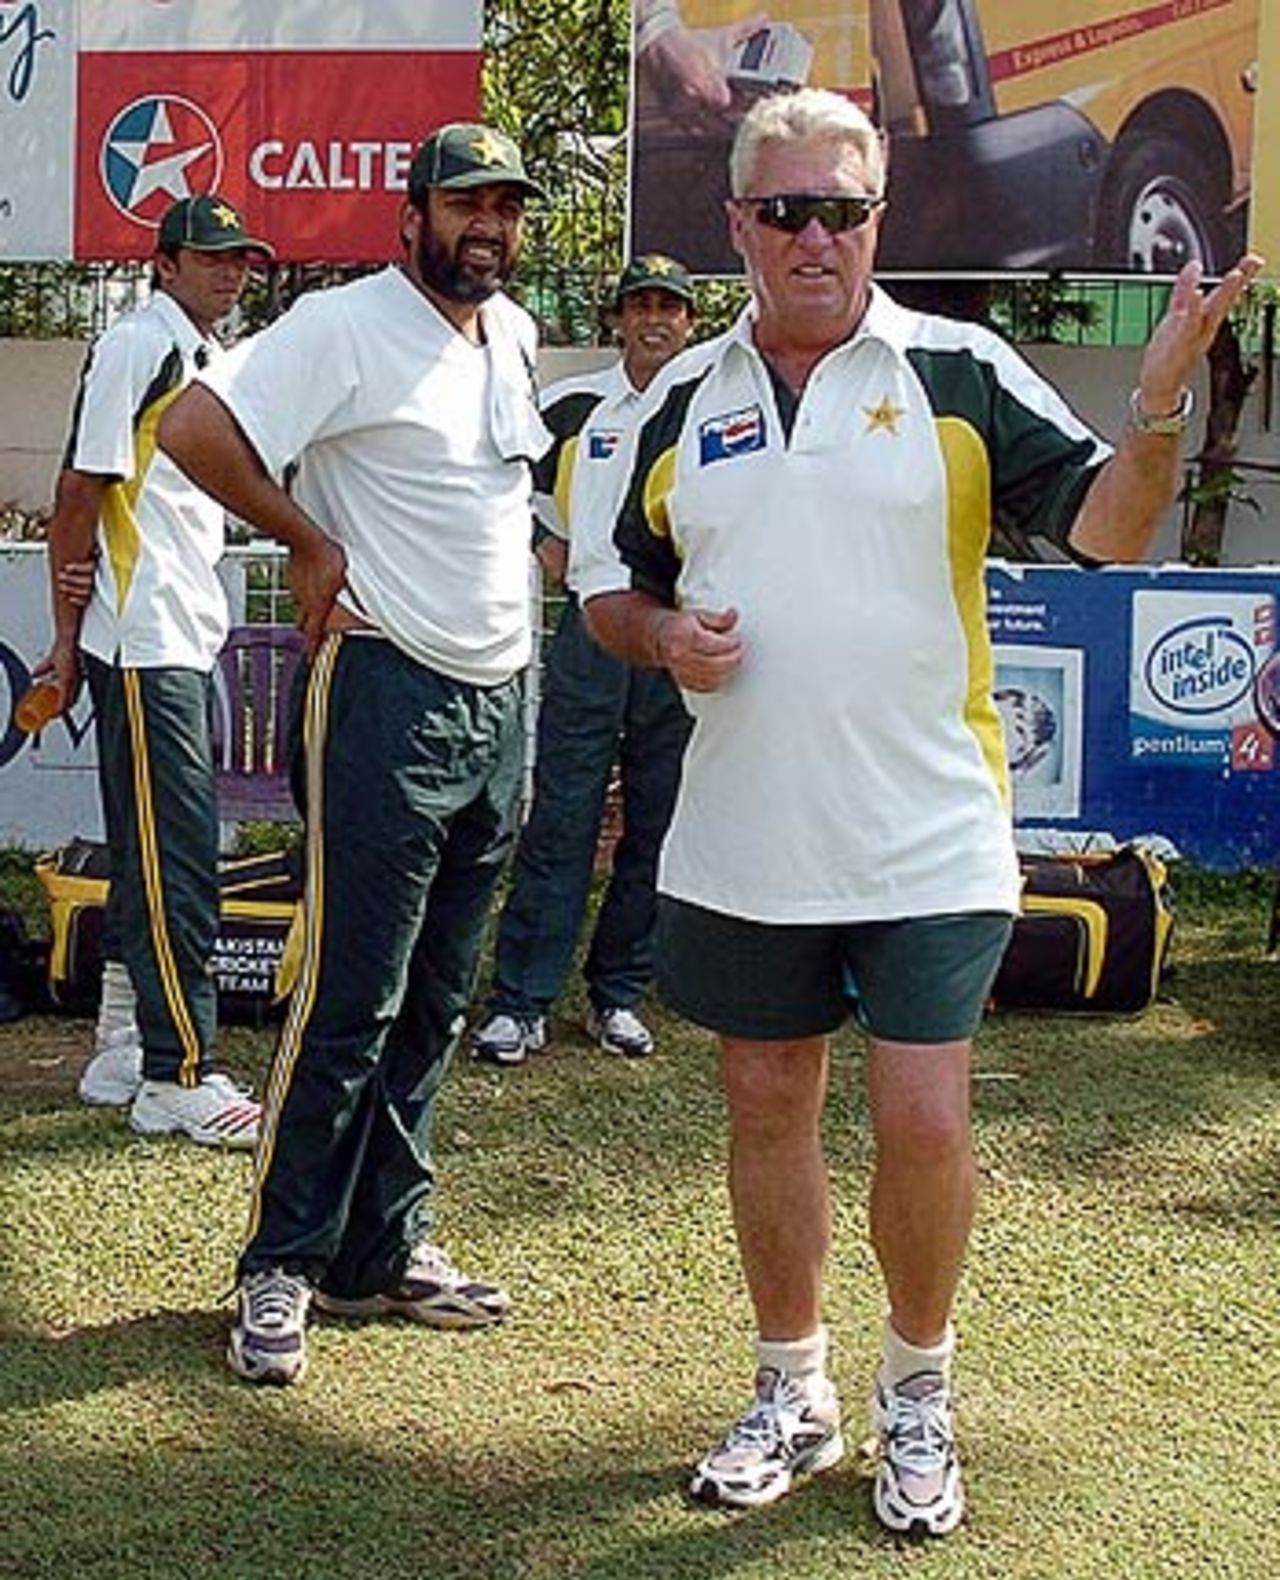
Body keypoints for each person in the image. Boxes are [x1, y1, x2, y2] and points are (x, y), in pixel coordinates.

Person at [573, 87, 1262, 1537]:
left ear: (878, 221)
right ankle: (791, 1386)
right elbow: (609, 594)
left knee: (925, 1116)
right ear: (737, 225)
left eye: (842, 210)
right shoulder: (677, 400)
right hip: (747, 836)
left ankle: (917, 1392)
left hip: (926, 834)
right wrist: (662, 635)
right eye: (785, 211)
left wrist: (1155, 405)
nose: (814, 237)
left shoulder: (958, 371)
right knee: (767, 1104)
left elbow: (1108, 529)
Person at [157, 122, 549, 1387]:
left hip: (500, 697)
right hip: (383, 684)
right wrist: (306, 541)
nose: (486, 226)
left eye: (506, 207)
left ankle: (381, 1246)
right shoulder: (340, 325)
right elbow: (194, 428)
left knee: (437, 997)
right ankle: (279, 1261)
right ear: (410, 214)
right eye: (465, 204)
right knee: (351, 992)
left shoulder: (512, 332)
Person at [37, 193, 274, 1148]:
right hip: (142, 639)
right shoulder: (140, 343)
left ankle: (121, 1046)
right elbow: (78, 491)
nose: (230, 272)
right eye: (211, 257)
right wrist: (66, 637)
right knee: (178, 859)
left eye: (240, 259)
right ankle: (179, 1072)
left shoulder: (205, 354)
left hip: (177, 632)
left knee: (153, 852)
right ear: (165, 263)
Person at [470, 254, 697, 1065]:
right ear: (618, 319)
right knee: (562, 816)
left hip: (678, 636)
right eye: (640, 306)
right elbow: (506, 482)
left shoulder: (714, 406)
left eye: (669, 308)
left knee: (659, 823)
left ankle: (619, 994)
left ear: (689, 323)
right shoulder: (574, 404)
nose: (654, 321)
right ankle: (520, 1001)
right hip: (594, 634)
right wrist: (545, 541)